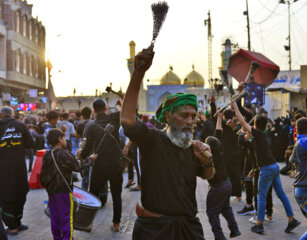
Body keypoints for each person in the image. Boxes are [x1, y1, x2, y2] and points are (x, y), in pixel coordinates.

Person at [121, 48, 214, 240]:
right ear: (169, 116)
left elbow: (209, 175)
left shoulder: (191, 146)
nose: (190, 120)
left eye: (193, 116)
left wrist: (207, 160)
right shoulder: (153, 140)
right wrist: (138, 73)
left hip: (188, 228)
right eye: (184, 115)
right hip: (155, 230)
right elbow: (128, 119)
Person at [231, 97, 300, 234]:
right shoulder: (261, 136)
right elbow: (256, 153)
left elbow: (244, 122)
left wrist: (235, 107)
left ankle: (259, 223)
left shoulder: (258, 134)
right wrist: (254, 169)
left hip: (267, 169)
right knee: (281, 194)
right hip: (273, 167)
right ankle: (292, 219)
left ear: (255, 126)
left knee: (261, 196)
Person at [40, 129, 96, 240]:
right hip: (63, 191)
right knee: (66, 218)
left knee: (55, 218)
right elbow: (78, 167)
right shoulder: (64, 153)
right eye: (64, 137)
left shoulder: (47, 154)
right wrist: (90, 159)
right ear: (59, 139)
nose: (65, 140)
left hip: (51, 191)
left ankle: (57, 238)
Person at [79, 99, 123, 232]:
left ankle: (88, 223)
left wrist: (82, 155)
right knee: (116, 195)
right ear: (106, 109)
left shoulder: (91, 126)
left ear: (93, 111)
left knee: (93, 195)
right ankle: (116, 224)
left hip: (99, 165)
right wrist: (121, 99)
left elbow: (86, 149)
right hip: (115, 164)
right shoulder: (114, 118)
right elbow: (127, 111)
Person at [205, 111, 241, 240]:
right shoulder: (219, 150)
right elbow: (218, 132)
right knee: (225, 208)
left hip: (218, 187)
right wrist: (219, 117)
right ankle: (235, 229)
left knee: (212, 212)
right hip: (227, 183)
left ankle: (219, 237)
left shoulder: (209, 158)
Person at [0, 107, 34, 236]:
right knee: (20, 192)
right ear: (12, 115)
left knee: (5, 195)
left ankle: (13, 224)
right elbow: (31, 144)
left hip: (2, 171)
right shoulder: (20, 125)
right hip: (19, 168)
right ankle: (15, 224)